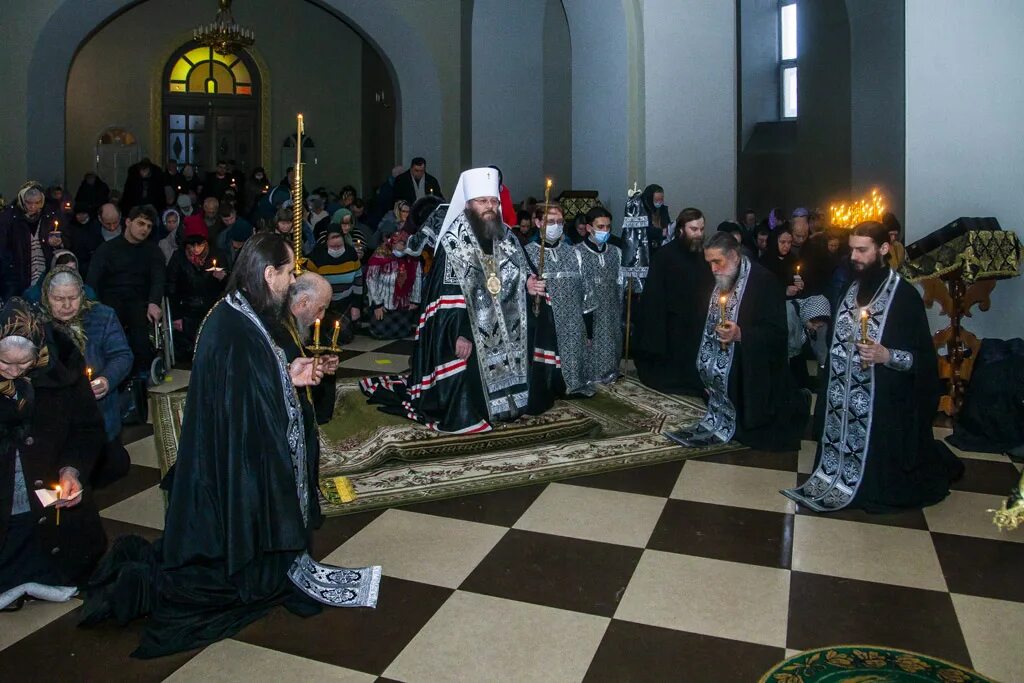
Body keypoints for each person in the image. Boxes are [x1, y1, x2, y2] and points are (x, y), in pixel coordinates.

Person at [81, 233, 380, 657]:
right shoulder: (230, 323)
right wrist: (285, 380)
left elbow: (258, 376)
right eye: (289, 271)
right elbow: (240, 399)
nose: (293, 279)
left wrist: (290, 371)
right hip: (232, 457)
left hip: (241, 443)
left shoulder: (246, 312)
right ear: (267, 274)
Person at [783, 221, 963, 512]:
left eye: (862, 250)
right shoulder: (850, 288)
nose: (854, 256)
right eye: (852, 249)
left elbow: (922, 361)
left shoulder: (904, 298)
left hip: (885, 400)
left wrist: (887, 355)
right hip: (841, 399)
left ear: (883, 249)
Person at [362, 167, 546, 433]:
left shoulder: (507, 235)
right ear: (469, 204)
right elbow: (446, 297)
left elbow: (518, 271)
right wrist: (458, 334)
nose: (490, 207)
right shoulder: (453, 243)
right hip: (468, 328)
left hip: (506, 325)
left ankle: (510, 404)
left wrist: (528, 283)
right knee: (469, 376)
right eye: (482, 201)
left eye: (493, 201)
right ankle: (479, 409)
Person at [0, 299, 107, 611]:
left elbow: (87, 428)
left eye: (23, 364)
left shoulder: (62, 371)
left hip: (47, 505)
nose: (14, 371)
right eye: (5, 363)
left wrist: (72, 470)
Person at [665, 232, 808, 451]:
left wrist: (742, 334)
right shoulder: (719, 278)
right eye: (709, 262)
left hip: (752, 367)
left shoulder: (764, 281)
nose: (713, 269)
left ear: (733, 255)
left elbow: (777, 333)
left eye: (717, 262)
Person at [39, 267, 133, 488]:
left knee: (110, 469)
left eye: (72, 298)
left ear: (82, 294)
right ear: (46, 296)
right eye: (58, 299)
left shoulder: (102, 316)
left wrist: (107, 380)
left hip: (99, 413)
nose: (66, 305)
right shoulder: (36, 322)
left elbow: (122, 355)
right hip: (53, 418)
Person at [634, 207, 714, 395]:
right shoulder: (665, 255)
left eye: (701, 229)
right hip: (671, 325)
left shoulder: (704, 255)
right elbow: (653, 298)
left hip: (697, 322)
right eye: (693, 229)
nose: (698, 234)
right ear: (680, 230)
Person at [524, 201, 592, 404]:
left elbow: (586, 292)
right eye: (550, 221)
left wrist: (587, 327)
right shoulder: (525, 252)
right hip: (543, 321)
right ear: (537, 222)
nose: (556, 226)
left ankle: (570, 385)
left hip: (572, 320)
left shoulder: (575, 253)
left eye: (560, 222)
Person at [86, 205, 165, 375]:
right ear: (128, 222)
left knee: (140, 341)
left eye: (149, 226)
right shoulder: (106, 249)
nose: (145, 229)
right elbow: (92, 281)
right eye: (141, 224)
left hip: (139, 302)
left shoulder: (153, 251)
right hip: (110, 302)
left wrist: (154, 302)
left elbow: (158, 280)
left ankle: (141, 378)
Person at [279, 272, 341, 424]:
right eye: (320, 308)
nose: (321, 316)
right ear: (304, 302)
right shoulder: (277, 327)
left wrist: (319, 364)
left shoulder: (302, 324)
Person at [576, 206, 623, 386]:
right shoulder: (577, 253)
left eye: (608, 227)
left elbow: (620, 285)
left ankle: (611, 373)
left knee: (611, 342)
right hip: (588, 312)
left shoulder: (615, 253)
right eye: (600, 227)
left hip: (611, 311)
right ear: (589, 228)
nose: (605, 231)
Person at [165, 223, 228, 357]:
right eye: (192, 245)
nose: (196, 249)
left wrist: (222, 278)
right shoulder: (179, 257)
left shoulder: (218, 255)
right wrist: (176, 316)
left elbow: (229, 286)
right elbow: (171, 286)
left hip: (211, 308)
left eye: (199, 244)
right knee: (190, 349)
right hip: (187, 309)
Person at [0, 182, 66, 299]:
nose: (33, 207)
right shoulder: (9, 218)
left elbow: (67, 238)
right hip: (17, 277)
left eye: (37, 203)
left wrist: (58, 243)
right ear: (21, 200)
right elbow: (3, 248)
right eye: (29, 203)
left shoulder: (50, 215)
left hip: (44, 275)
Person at [365, 231, 421, 340]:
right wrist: (377, 304)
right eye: (401, 243)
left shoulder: (412, 258)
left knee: (403, 331)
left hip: (404, 303)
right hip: (383, 302)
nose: (404, 246)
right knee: (380, 331)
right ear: (393, 243)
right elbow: (371, 280)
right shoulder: (381, 255)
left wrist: (415, 300)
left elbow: (417, 278)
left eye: (406, 244)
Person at [22, 250, 97, 303]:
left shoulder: (87, 294)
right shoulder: (34, 295)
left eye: (72, 269)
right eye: (63, 269)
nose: (68, 273)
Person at [641, 183, 671, 251]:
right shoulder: (641, 212)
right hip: (647, 249)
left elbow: (668, 225)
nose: (660, 202)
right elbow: (643, 232)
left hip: (662, 247)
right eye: (657, 200)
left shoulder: (663, 210)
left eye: (661, 199)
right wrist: (661, 232)